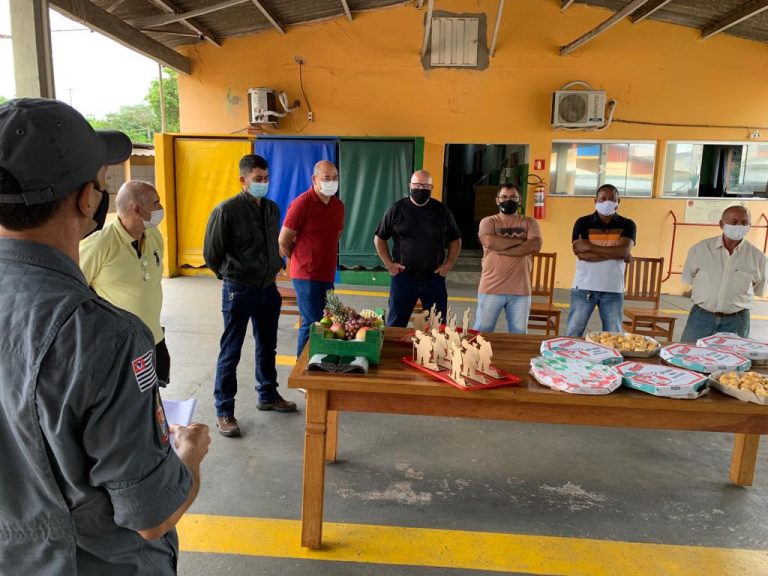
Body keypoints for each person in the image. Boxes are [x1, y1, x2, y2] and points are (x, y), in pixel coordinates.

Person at [0, 98, 210, 575]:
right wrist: (189, 455)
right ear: (86, 199)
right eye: (99, 182)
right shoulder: (103, 335)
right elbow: (152, 518)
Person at [204, 153, 297, 438]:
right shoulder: (226, 210)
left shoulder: (271, 208)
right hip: (239, 290)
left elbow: (273, 244)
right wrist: (232, 276)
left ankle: (267, 394)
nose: (263, 183)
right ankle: (224, 411)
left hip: (268, 288)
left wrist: (274, 267)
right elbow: (211, 254)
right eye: (258, 179)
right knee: (231, 351)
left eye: (266, 178)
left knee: (268, 346)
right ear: (242, 180)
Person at [80, 180, 171, 385]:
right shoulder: (100, 244)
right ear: (137, 209)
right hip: (121, 346)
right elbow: (73, 289)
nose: (161, 208)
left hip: (154, 338)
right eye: (156, 203)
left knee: (154, 395)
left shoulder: (154, 235)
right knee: (129, 397)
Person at [374, 169, 462, 327]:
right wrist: (389, 265)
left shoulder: (442, 211)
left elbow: (456, 240)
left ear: (432, 187)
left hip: (434, 278)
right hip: (403, 278)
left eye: (425, 186)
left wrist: (448, 265)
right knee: (395, 325)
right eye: (417, 185)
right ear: (410, 185)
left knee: (438, 327)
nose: (420, 189)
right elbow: (379, 238)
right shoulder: (396, 209)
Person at [278, 160, 344, 357]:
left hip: (327, 274)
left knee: (326, 320)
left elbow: (337, 235)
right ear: (314, 179)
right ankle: (303, 367)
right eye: (326, 178)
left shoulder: (338, 206)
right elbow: (283, 240)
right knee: (312, 322)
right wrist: (300, 258)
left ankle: (319, 362)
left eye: (335, 178)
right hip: (304, 275)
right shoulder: (302, 204)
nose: (331, 182)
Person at [680, 205, 767, 341]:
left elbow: (758, 288)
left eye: (744, 222)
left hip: (737, 322)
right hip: (701, 318)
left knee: (733, 355)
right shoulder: (700, 249)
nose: (739, 226)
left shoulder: (758, 257)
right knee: (688, 351)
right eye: (734, 222)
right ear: (721, 224)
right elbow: (689, 277)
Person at [565, 184, 636, 337]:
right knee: (573, 332)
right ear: (595, 200)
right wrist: (616, 253)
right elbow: (581, 254)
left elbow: (623, 251)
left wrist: (589, 246)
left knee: (614, 336)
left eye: (612, 199)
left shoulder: (628, 224)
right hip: (584, 287)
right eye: (603, 198)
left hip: (613, 288)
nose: (607, 202)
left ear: (618, 201)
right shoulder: (583, 222)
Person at [474, 184, 542, 333]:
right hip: (491, 288)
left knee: (519, 336)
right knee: (481, 333)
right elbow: (489, 242)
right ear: (497, 200)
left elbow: (535, 245)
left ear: (520, 200)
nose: (508, 200)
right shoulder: (488, 221)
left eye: (513, 197)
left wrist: (502, 248)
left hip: (520, 290)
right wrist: (521, 241)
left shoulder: (530, 222)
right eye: (504, 197)